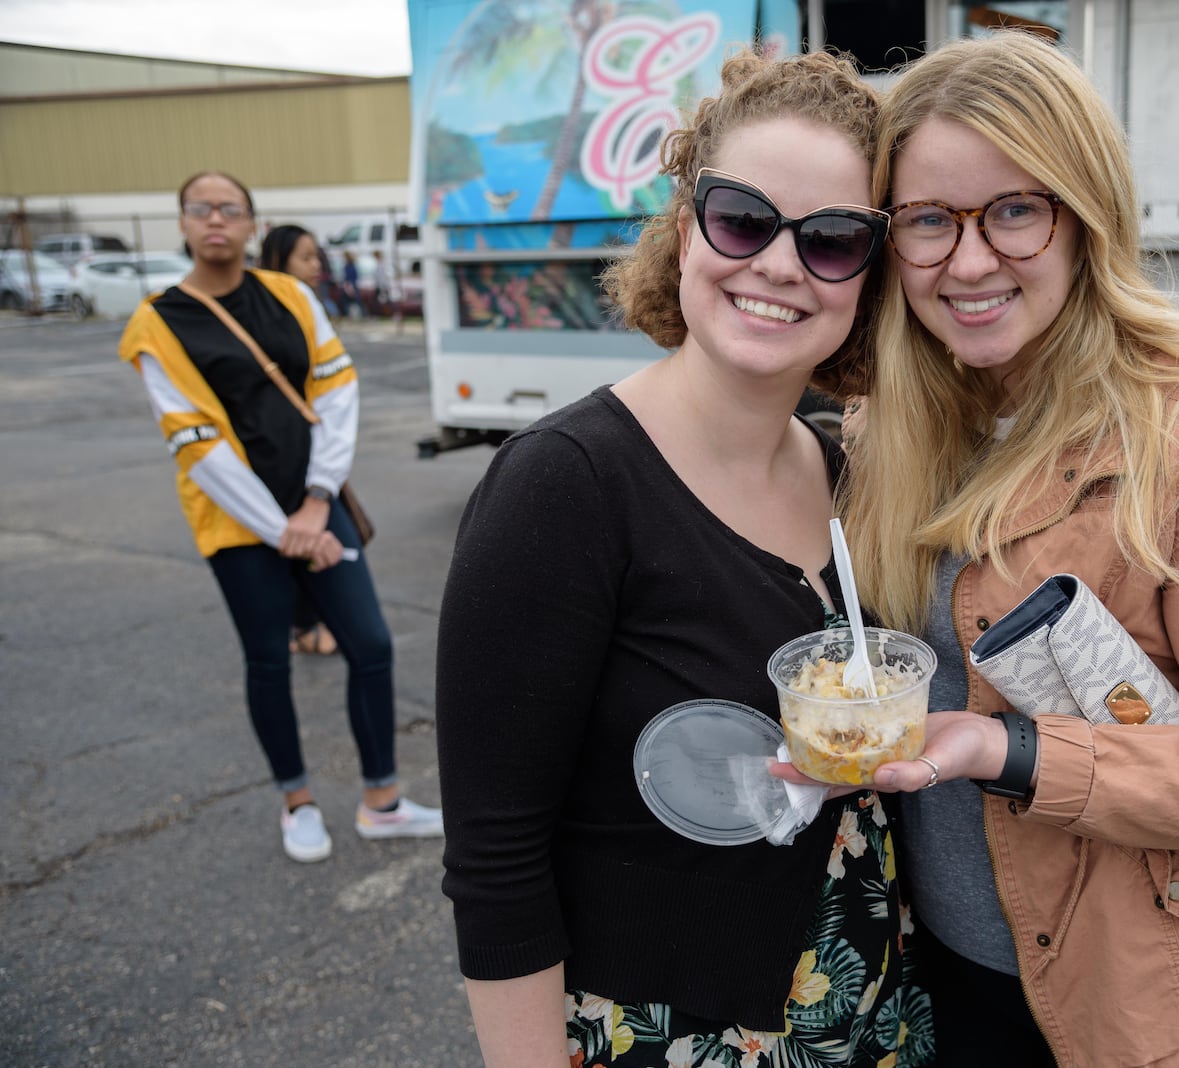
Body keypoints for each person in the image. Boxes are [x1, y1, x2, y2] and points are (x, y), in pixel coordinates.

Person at [816, 33, 1179, 1067]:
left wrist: (1004, 751)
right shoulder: (891, 428)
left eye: (1013, 210)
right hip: (946, 980)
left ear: (1085, 213)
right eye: (927, 220)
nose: (967, 261)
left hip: (1149, 1007)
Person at [434, 49, 932, 1068]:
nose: (781, 265)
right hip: (668, 1035)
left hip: (877, 1016)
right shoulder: (565, 485)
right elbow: (495, 858)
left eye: (832, 238)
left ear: (869, 270)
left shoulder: (847, 476)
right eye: (744, 218)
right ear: (686, 223)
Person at [118, 172, 443, 863]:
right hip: (237, 524)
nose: (215, 220)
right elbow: (195, 443)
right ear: (181, 222)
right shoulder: (157, 321)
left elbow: (335, 385)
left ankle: (381, 801)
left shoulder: (290, 296)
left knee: (372, 645)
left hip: (319, 507)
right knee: (268, 660)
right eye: (200, 209)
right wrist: (284, 529)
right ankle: (296, 801)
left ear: (250, 223)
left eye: (229, 209)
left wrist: (318, 501)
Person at [260, 224, 339, 657]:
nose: (316, 267)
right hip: (287, 457)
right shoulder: (268, 314)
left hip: (320, 454)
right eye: (305, 258)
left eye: (317, 257)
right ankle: (306, 627)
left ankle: (307, 625)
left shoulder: (307, 306)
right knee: (304, 546)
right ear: (279, 261)